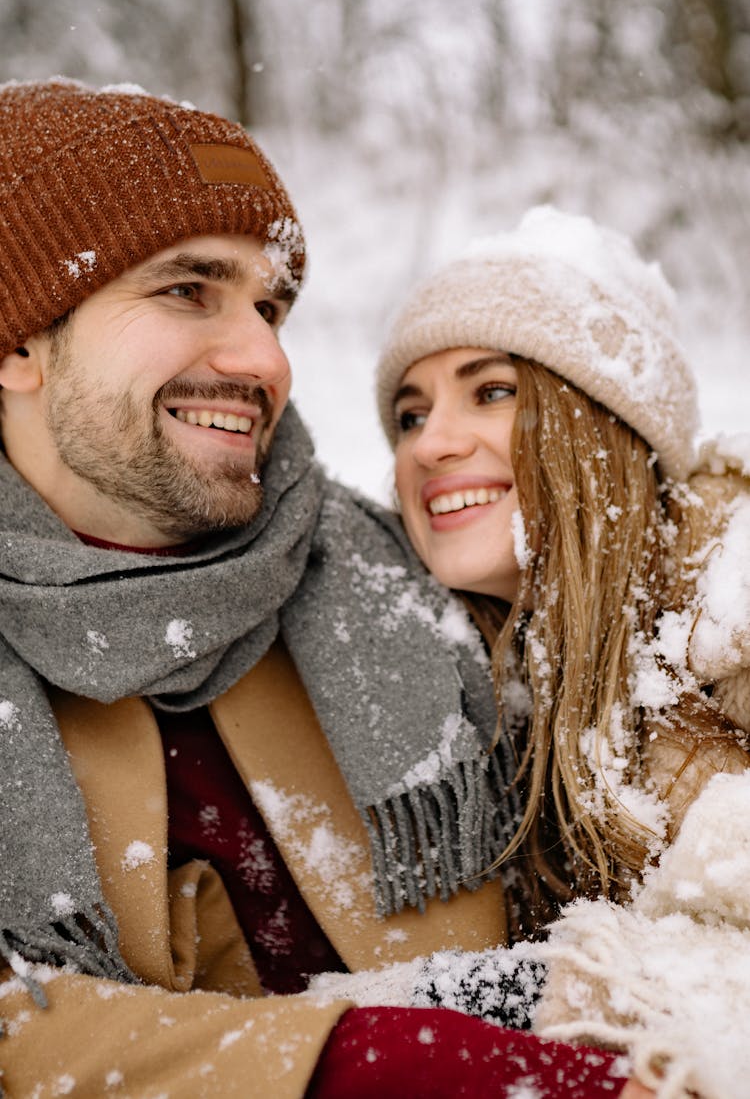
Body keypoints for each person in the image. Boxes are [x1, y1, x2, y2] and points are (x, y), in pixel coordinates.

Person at [0, 82, 636, 1097]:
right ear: (20, 342)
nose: (263, 357)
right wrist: (360, 1064)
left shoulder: (402, 578)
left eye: (270, 305)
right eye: (186, 289)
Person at [327, 205, 748, 1095]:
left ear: (601, 422)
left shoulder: (732, 593)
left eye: (491, 390)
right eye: (408, 415)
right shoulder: (470, 684)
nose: (430, 444)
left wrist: (513, 996)